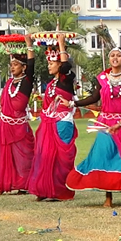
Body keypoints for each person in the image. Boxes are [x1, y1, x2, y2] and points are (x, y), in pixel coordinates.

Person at [65, 47, 121, 208]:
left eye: (119, 56)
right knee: (104, 157)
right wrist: (74, 103)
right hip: (105, 124)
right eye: (112, 55)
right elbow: (95, 97)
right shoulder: (101, 78)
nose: (115, 58)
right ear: (109, 59)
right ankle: (108, 196)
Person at [28, 33, 78, 202]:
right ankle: (45, 189)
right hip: (48, 123)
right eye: (48, 63)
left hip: (63, 122)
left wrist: (61, 44)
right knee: (46, 155)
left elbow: (65, 67)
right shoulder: (51, 83)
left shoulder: (67, 79)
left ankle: (61, 190)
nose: (49, 66)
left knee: (61, 157)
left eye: (51, 63)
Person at [0, 34, 36, 194]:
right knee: (5, 155)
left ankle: (24, 184)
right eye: (11, 65)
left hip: (19, 125)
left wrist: (29, 45)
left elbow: (32, 64)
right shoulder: (9, 82)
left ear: (23, 67)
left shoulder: (26, 81)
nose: (12, 67)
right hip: (5, 124)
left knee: (23, 156)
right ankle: (7, 183)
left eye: (16, 65)